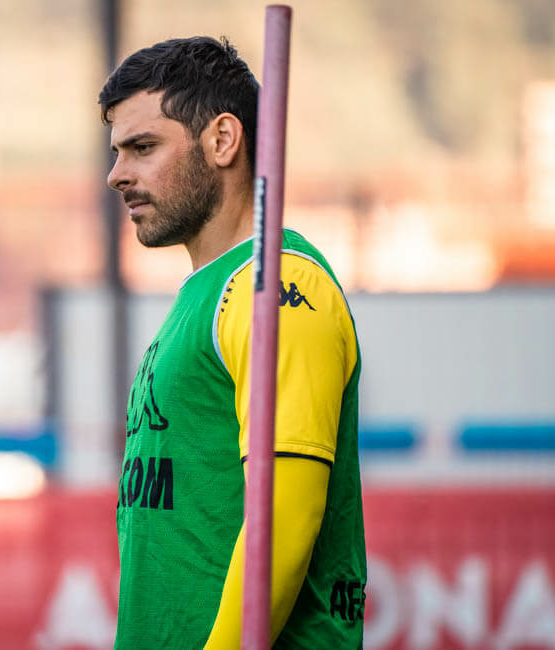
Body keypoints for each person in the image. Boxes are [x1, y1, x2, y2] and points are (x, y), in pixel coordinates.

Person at [101, 36, 366, 648]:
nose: (117, 175)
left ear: (223, 140)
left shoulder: (279, 285)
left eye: (143, 147)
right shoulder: (210, 290)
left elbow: (283, 525)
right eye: (117, 152)